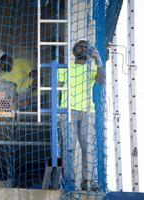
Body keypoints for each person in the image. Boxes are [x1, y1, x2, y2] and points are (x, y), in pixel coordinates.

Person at [58, 39, 104, 191]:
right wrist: (58, 111)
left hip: (87, 111)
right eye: (80, 47)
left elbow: (101, 81)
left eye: (86, 47)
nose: (83, 49)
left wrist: (99, 61)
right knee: (68, 147)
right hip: (68, 110)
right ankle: (68, 181)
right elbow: (57, 89)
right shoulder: (66, 68)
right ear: (74, 51)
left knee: (88, 147)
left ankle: (88, 181)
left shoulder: (92, 68)